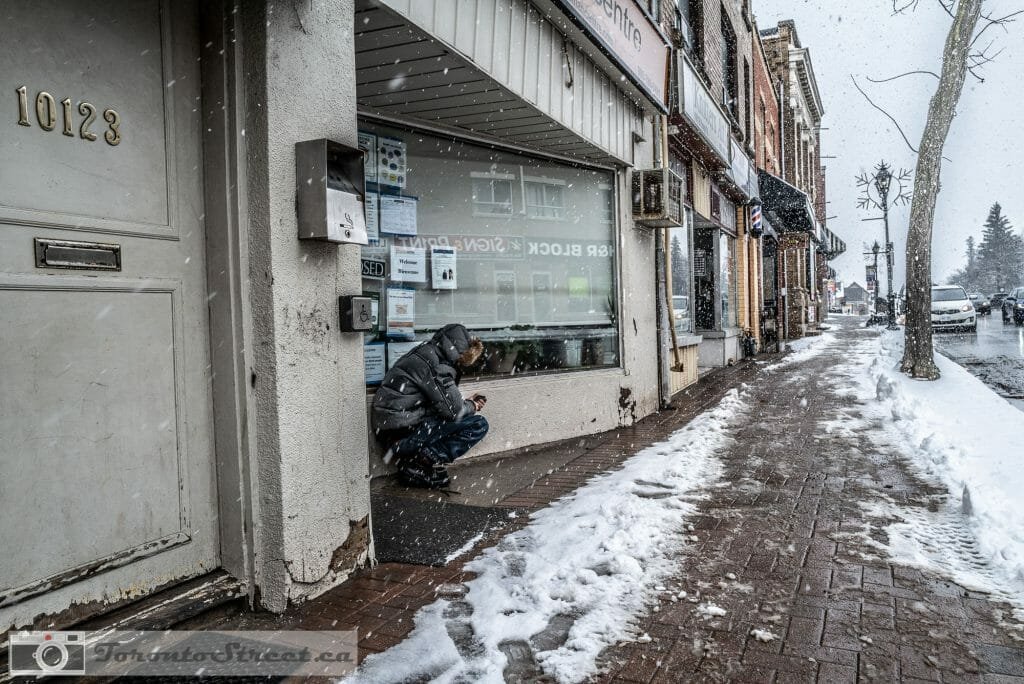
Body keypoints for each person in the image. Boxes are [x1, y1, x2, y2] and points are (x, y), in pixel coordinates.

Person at [371, 324, 488, 488]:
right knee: (478, 424)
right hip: (400, 435)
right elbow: (454, 412)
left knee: (457, 417)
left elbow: (443, 403)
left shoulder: (426, 353)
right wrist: (472, 405)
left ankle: (416, 461)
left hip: (391, 429)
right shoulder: (438, 366)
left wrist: (466, 403)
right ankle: (418, 463)